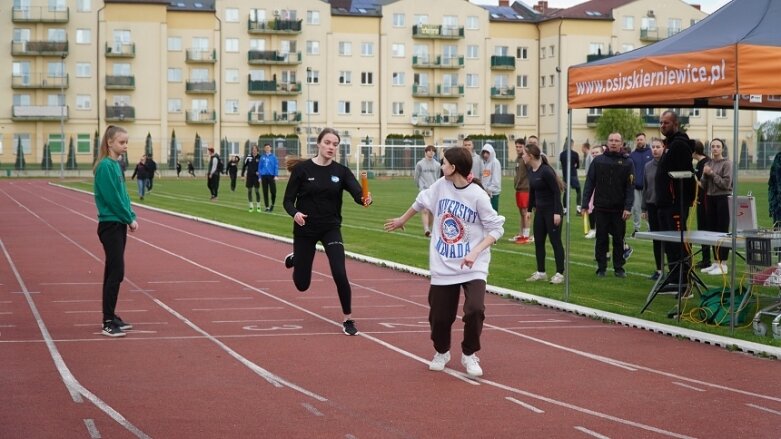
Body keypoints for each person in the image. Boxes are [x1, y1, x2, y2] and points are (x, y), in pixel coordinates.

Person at [384, 147, 505, 378]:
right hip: (443, 263)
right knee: (440, 317)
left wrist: (475, 252)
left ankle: (469, 354)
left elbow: (496, 228)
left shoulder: (478, 195)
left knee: (475, 310)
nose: (441, 166)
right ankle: (442, 352)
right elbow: (421, 201)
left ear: (454, 167)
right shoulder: (440, 186)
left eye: (444, 163)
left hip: (473, 265)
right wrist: (402, 219)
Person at [282, 128, 372, 336]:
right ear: (319, 144)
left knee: (340, 272)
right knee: (302, 285)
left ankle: (348, 319)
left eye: (335, 144)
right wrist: (295, 213)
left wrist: (365, 199)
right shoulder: (302, 170)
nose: (331, 147)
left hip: (330, 228)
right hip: (305, 229)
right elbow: (287, 201)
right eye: (328, 143)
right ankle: (297, 258)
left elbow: (358, 194)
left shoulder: (341, 172)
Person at [92, 125, 139, 338]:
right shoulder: (105, 167)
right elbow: (112, 199)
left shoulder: (116, 165)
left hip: (118, 223)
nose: (125, 146)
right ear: (109, 142)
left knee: (112, 271)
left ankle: (110, 316)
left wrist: (131, 214)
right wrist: (128, 218)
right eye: (121, 142)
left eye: (126, 142)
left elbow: (123, 195)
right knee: (117, 271)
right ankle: (108, 322)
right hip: (110, 224)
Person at [582, 132, 634, 278]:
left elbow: (630, 187)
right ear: (607, 142)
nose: (613, 143)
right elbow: (590, 183)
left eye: (616, 140)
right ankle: (601, 267)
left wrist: (628, 207)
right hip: (601, 207)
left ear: (621, 143)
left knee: (619, 239)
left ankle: (619, 268)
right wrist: (585, 203)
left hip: (619, 209)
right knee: (601, 239)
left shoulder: (627, 162)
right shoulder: (598, 161)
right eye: (611, 140)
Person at [656, 110, 696, 285]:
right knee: (670, 242)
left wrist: (680, 198)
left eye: (666, 122)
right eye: (661, 122)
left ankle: (685, 279)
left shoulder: (679, 144)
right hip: (665, 202)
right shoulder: (669, 144)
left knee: (679, 242)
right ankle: (674, 274)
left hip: (675, 203)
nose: (662, 125)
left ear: (675, 124)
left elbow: (685, 174)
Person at [524, 142, 566, 284]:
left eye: (524, 154)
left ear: (530, 156)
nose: (522, 156)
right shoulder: (531, 171)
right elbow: (533, 191)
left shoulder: (546, 171)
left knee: (555, 242)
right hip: (540, 212)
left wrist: (557, 213)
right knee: (539, 242)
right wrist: (529, 210)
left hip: (552, 211)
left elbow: (556, 192)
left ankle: (560, 273)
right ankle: (541, 272)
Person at [700, 138, 733, 275]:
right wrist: (703, 174)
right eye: (713, 146)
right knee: (712, 230)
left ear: (722, 148)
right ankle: (716, 262)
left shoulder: (727, 164)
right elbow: (704, 184)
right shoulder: (708, 163)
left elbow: (726, 184)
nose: (715, 149)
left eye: (718, 146)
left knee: (722, 230)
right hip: (710, 198)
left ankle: (723, 263)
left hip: (723, 198)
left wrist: (712, 174)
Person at [641, 138, 665, 281]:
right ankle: (659, 269)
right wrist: (644, 208)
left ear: (663, 148)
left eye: (658, 147)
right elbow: (645, 187)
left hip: (665, 207)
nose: (655, 149)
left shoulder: (667, 165)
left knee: (668, 239)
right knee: (656, 239)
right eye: (653, 147)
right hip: (652, 206)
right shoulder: (647, 166)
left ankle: (673, 269)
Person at [692, 140, 712, 269]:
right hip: (702, 200)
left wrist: (693, 179)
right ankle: (706, 259)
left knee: (705, 229)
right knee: (703, 229)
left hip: (705, 200)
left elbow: (703, 185)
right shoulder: (703, 162)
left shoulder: (704, 163)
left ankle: (707, 260)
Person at [629, 133, 653, 237]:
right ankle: (637, 229)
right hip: (636, 186)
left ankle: (651, 228)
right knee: (636, 209)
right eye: (638, 139)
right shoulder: (632, 155)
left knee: (649, 208)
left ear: (645, 140)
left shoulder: (651, 153)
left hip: (649, 187)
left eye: (641, 139)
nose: (639, 141)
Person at [414, 145, 440, 236]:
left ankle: (429, 228)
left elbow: (437, 177)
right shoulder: (420, 164)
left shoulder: (437, 165)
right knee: (425, 210)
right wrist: (420, 187)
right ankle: (426, 229)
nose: (431, 152)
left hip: (433, 190)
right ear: (426, 152)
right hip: (424, 190)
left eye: (433, 151)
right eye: (429, 150)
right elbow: (416, 177)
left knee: (432, 211)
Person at [510, 137, 532, 244]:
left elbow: (532, 169)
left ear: (524, 147)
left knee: (525, 212)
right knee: (521, 213)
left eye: (520, 146)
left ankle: (527, 235)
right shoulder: (518, 159)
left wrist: (525, 155)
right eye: (517, 147)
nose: (518, 148)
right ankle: (522, 233)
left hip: (526, 189)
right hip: (518, 188)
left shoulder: (525, 158)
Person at [583, 145, 604, 239]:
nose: (595, 154)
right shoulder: (592, 164)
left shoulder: (606, 164)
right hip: (593, 190)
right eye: (593, 153)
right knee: (591, 208)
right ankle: (592, 229)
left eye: (597, 152)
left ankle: (602, 230)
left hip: (603, 192)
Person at [479, 143, 502, 212]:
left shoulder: (495, 162)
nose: (485, 155)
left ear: (491, 153)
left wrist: (490, 189)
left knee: (493, 214)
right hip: (486, 193)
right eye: (484, 152)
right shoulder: (485, 163)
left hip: (493, 194)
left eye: (487, 153)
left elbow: (496, 180)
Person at [259, 143, 279, 212]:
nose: (267, 149)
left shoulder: (274, 157)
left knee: (273, 191)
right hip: (264, 176)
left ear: (270, 148)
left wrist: (276, 175)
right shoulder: (262, 157)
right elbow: (260, 167)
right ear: (264, 149)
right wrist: (259, 176)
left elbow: (276, 166)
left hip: (271, 176)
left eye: (268, 147)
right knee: (265, 192)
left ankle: (272, 205)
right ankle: (267, 206)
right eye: (266, 147)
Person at [242, 144, 262, 212]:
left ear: (257, 150)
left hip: (256, 177)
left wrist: (260, 174)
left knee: (256, 191)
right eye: (253, 149)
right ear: (252, 150)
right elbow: (244, 166)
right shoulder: (248, 157)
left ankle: (258, 206)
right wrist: (242, 175)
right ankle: (251, 206)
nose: (254, 150)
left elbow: (262, 167)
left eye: (255, 149)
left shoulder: (260, 157)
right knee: (249, 191)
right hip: (249, 176)